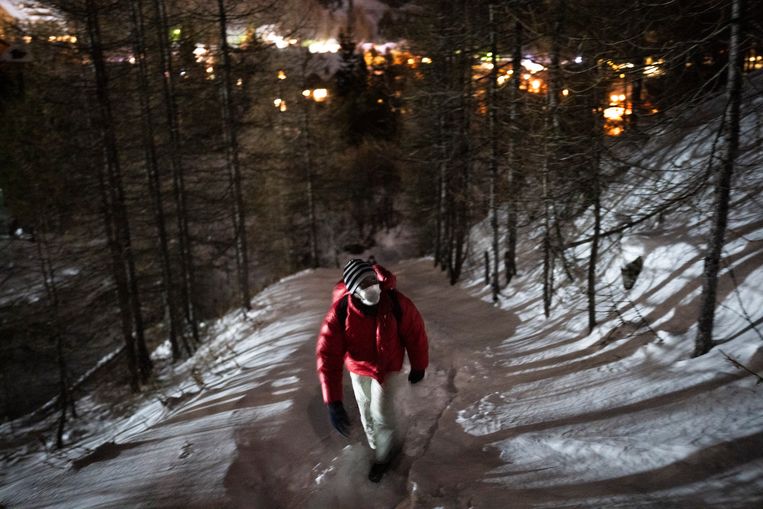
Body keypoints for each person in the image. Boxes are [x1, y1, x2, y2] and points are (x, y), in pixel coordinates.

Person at [316, 259, 429, 482]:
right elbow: (327, 356)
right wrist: (333, 402)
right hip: (358, 370)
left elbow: (415, 333)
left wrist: (419, 365)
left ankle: (384, 458)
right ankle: (379, 446)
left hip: (387, 369)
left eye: (372, 280)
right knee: (367, 413)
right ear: (353, 290)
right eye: (363, 283)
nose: (370, 285)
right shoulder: (340, 312)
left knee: (381, 415)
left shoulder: (396, 302)